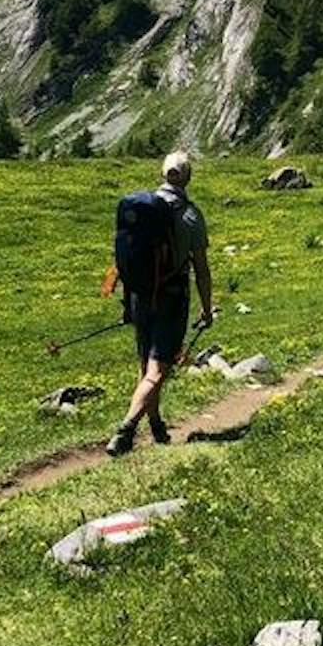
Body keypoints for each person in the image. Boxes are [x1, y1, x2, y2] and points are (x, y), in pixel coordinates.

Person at [108, 151, 214, 456]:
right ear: (188, 177)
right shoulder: (190, 215)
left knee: (145, 365)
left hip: (140, 294)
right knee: (157, 370)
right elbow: (202, 269)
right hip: (172, 296)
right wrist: (206, 309)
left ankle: (156, 427)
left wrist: (127, 301)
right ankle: (125, 430)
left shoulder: (140, 209)